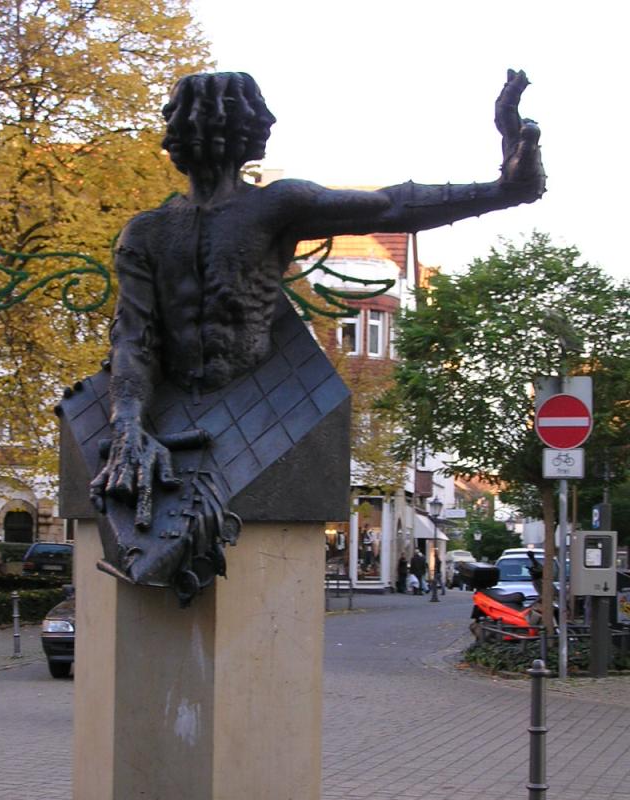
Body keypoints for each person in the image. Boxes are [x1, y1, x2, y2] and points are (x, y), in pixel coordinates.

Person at [90, 69, 545, 524]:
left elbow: (392, 205)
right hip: (183, 404)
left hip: (258, 398)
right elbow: (134, 337)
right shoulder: (148, 232)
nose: (209, 136)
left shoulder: (271, 206)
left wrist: (504, 191)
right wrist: (128, 422)